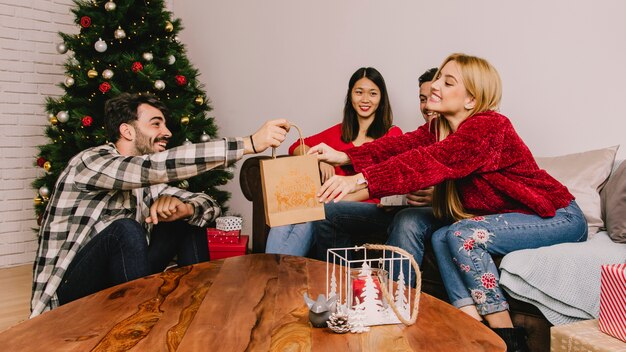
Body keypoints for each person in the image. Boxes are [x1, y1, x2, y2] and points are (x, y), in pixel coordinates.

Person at [309, 53, 587, 352]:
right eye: (438, 78)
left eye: (447, 81)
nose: (435, 86)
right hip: (510, 215)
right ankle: (470, 328)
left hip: (557, 215)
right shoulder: (440, 128)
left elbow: (427, 161)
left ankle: (509, 339)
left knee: (460, 234)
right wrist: (346, 157)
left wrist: (359, 179)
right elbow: (401, 146)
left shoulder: (489, 127)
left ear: (471, 99)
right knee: (443, 236)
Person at [31, 92, 289, 317]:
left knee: (185, 222)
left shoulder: (146, 183)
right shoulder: (89, 162)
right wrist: (249, 144)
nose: (167, 132)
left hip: (120, 285)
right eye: (156, 124)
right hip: (69, 295)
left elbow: (208, 204)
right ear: (127, 130)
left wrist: (184, 208)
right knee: (126, 230)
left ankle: (201, 312)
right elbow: (154, 167)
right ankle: (142, 327)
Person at [303, 68, 443, 287]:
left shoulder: (463, 134)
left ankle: (398, 303)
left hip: (434, 213)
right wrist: (341, 157)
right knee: (326, 211)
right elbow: (390, 155)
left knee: (407, 220)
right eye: (422, 99)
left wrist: (437, 196)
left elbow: (468, 188)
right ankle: (338, 289)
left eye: (433, 98)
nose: (427, 106)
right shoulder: (426, 132)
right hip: (395, 207)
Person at [265, 67, 403, 256]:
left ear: (381, 99)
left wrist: (333, 201)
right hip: (325, 203)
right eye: (359, 92)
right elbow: (296, 146)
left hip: (364, 208)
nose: (365, 99)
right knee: (288, 215)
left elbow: (387, 180)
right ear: (350, 96)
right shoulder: (339, 132)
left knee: (315, 213)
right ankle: (272, 273)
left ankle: (274, 276)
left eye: (372, 93)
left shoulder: (392, 134)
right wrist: (319, 161)